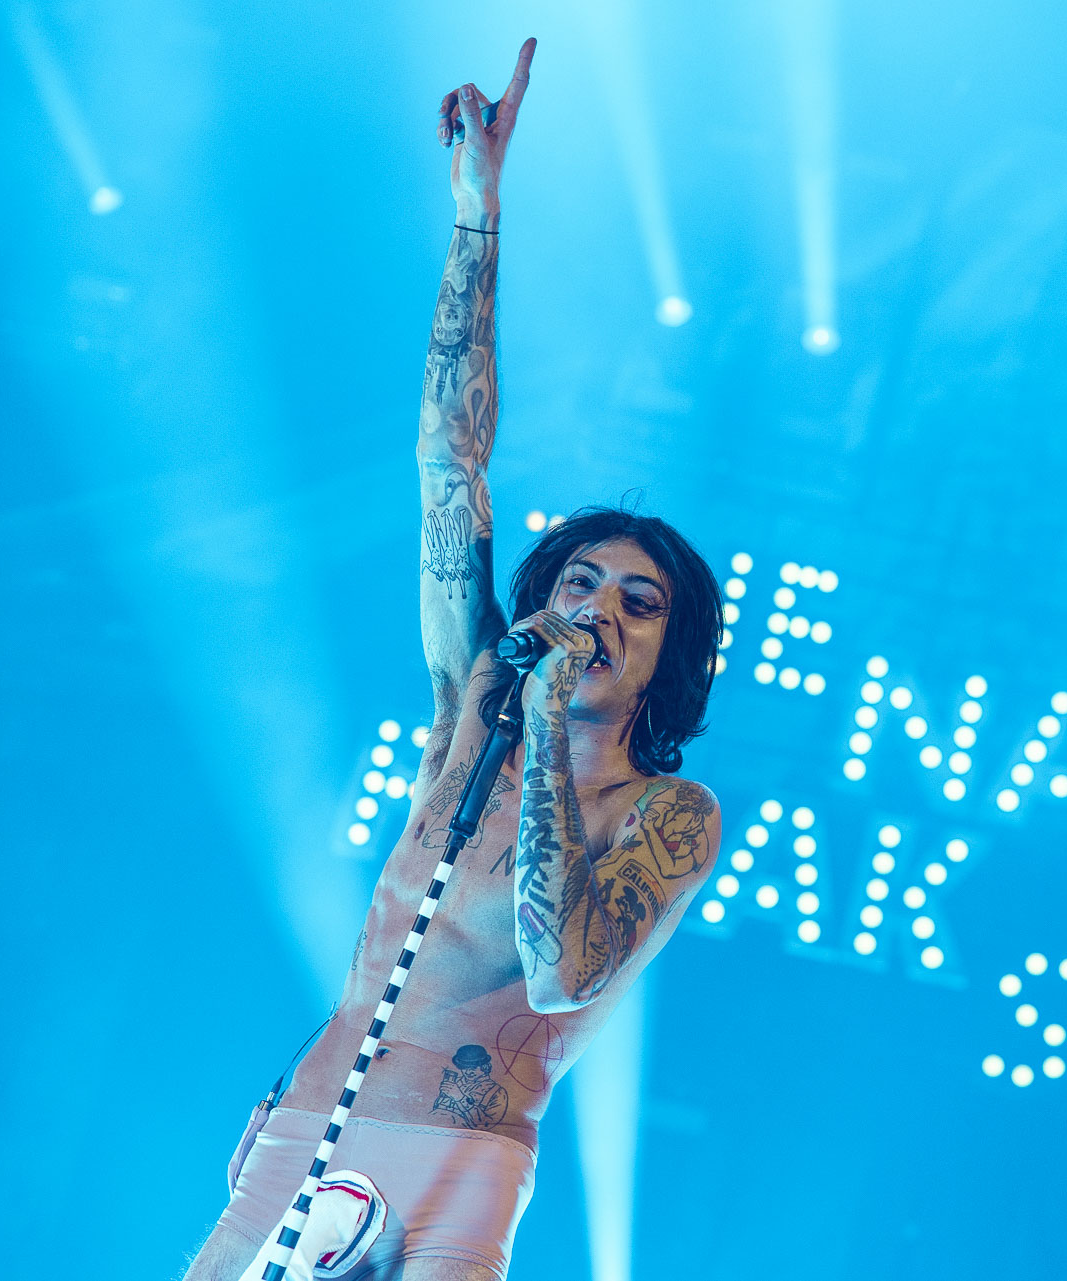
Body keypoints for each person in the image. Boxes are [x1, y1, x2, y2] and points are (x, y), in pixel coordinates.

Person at [184, 36, 725, 1279]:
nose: (598, 609)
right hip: (306, 1127)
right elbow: (449, 461)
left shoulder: (669, 812)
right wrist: (478, 214)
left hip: (458, 1157)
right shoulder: (475, 694)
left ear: (669, 656)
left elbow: (563, 969)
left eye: (637, 603)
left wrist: (546, 717)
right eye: (580, 582)